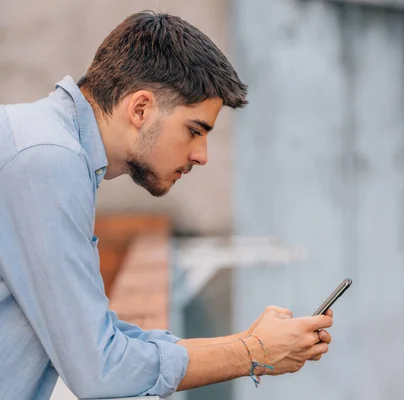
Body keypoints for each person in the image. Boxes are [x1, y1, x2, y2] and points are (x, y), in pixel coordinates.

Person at [0, 11, 333, 400]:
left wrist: (249, 341)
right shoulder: (47, 161)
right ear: (140, 109)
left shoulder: (49, 146)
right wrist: (252, 354)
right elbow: (100, 368)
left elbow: (96, 335)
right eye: (194, 131)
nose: (202, 156)